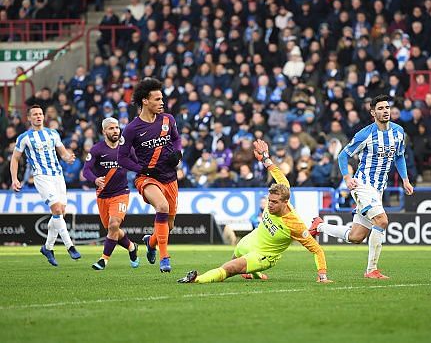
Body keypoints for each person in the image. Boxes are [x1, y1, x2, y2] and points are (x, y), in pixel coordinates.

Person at [177, 139, 331, 284]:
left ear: (285, 202)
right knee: (233, 261)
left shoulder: (294, 224)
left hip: (265, 255)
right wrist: (265, 158)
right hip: (251, 240)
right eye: (269, 200)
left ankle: (197, 279)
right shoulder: (283, 189)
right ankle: (254, 274)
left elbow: (317, 250)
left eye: (274, 202)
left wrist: (322, 275)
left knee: (231, 268)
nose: (269, 205)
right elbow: (277, 173)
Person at [309, 95, 414, 279]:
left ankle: (320, 226)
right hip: (363, 184)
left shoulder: (398, 132)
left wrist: (405, 180)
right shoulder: (365, 134)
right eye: (380, 108)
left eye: (387, 107)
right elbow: (343, 156)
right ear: (373, 113)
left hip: (379, 189)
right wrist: (347, 177)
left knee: (356, 237)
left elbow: (399, 156)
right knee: (381, 221)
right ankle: (371, 270)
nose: (385, 111)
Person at [118, 78, 181, 273]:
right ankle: (165, 258)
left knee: (169, 226)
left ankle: (150, 241)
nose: (162, 102)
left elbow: (176, 139)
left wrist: (177, 154)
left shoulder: (168, 120)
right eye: (157, 99)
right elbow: (122, 158)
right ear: (145, 101)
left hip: (169, 177)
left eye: (162, 99)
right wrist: (142, 169)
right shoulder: (131, 129)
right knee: (161, 206)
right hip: (147, 178)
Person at [10, 105, 81, 266]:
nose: (38, 116)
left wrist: (68, 157)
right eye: (34, 114)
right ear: (29, 118)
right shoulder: (24, 137)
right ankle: (70, 246)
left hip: (58, 175)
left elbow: (62, 152)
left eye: (40, 114)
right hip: (41, 176)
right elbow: (15, 158)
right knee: (56, 209)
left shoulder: (52, 133)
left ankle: (47, 248)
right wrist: (15, 178)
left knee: (60, 214)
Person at [83, 117, 139, 271]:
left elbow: (138, 165)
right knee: (112, 230)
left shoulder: (126, 149)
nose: (115, 131)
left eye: (117, 128)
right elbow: (86, 170)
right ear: (104, 131)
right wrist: (95, 180)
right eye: (111, 128)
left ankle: (103, 260)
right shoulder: (96, 149)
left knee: (114, 225)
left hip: (121, 193)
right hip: (103, 195)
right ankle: (132, 247)